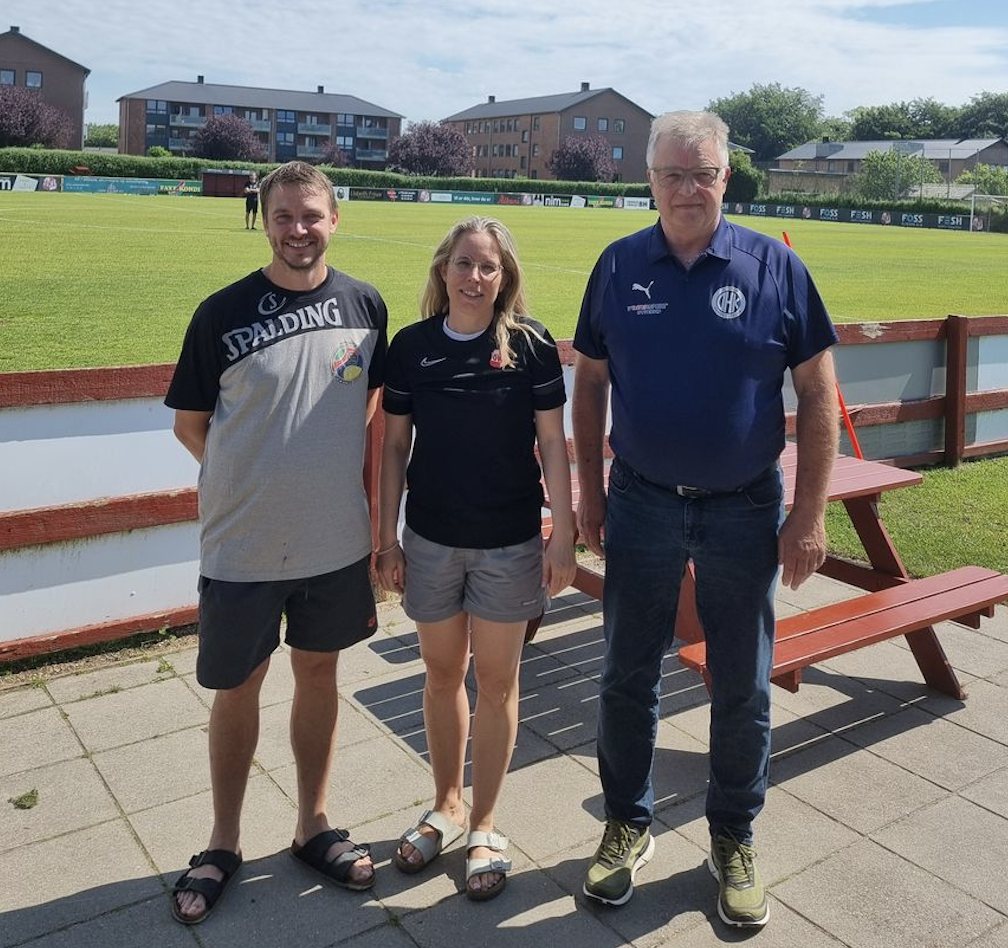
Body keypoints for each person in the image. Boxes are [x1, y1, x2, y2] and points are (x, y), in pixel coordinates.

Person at [572, 111, 839, 927]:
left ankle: (733, 836)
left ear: (727, 177)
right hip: (642, 501)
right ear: (649, 181)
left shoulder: (775, 267)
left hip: (744, 509)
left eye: (704, 173)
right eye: (672, 175)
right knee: (627, 674)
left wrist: (808, 514)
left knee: (743, 681)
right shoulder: (619, 265)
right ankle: (627, 824)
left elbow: (818, 393)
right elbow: (590, 383)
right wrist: (589, 492)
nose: (688, 189)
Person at [164, 160, 387, 924]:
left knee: (320, 673)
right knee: (239, 686)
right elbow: (190, 426)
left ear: (335, 218)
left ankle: (312, 825)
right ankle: (222, 841)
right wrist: (256, 479)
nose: (299, 229)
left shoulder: (365, 303)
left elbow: (367, 402)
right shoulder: (220, 312)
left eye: (311, 215)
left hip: (335, 540)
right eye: (284, 216)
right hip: (245, 545)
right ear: (264, 220)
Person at [375, 216, 576, 902]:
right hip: (430, 542)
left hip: (510, 544)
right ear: (443, 268)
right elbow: (393, 448)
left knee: (497, 683)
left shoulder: (532, 344)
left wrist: (563, 533)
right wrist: (386, 538)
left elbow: (552, 446)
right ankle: (446, 806)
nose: (474, 276)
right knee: (440, 676)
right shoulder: (412, 347)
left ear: (504, 276)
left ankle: (485, 824)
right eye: (464, 263)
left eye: (488, 266)